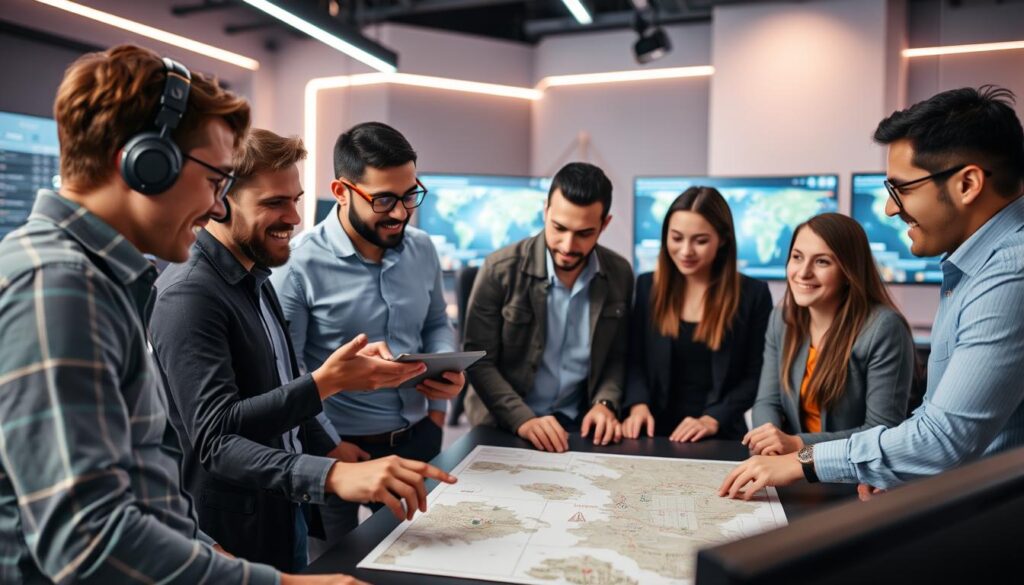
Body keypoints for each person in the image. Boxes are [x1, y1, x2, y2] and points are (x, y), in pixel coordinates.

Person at [0, 44, 370, 585]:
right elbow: (88, 540)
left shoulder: (99, 282)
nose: (219, 207)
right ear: (146, 164)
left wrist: (213, 555)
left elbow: (142, 484)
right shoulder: (58, 287)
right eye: (216, 180)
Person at [150, 128, 452, 571]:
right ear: (219, 200)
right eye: (275, 203)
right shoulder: (189, 295)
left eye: (295, 200)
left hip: (282, 503)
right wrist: (329, 390)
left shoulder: (255, 274)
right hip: (232, 530)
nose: (294, 217)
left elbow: (283, 381)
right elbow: (216, 437)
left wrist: (322, 434)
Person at [720, 86, 1024, 500]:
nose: (890, 209)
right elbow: (936, 421)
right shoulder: (972, 268)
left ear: (967, 183)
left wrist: (802, 459)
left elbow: (943, 438)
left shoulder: (1010, 272)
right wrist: (900, 472)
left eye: (902, 188)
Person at [271, 122, 464, 541]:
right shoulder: (297, 263)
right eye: (383, 200)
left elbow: (435, 323)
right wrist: (327, 444)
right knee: (336, 563)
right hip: (338, 451)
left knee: (419, 559)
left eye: (409, 195)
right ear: (341, 191)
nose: (399, 213)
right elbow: (289, 368)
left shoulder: (423, 248)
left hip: (418, 438)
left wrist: (439, 404)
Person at [462, 162, 633, 452]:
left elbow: (617, 356)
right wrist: (524, 419)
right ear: (545, 211)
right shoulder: (499, 270)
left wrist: (605, 403)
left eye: (584, 233)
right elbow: (478, 360)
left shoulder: (619, 274)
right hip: (504, 423)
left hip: (580, 424)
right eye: (559, 228)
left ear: (604, 224)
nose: (568, 245)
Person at [744, 213, 914, 456]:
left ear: (848, 271)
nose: (803, 273)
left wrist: (797, 444)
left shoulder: (884, 328)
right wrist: (767, 444)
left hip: (851, 474)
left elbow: (882, 431)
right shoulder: (782, 319)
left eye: (822, 262)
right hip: (791, 466)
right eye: (797, 257)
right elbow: (766, 402)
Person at [622, 187, 773, 442]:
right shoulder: (648, 285)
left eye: (700, 241)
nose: (685, 251)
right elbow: (634, 359)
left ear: (723, 239)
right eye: (676, 238)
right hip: (652, 432)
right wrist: (638, 404)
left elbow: (757, 374)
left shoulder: (753, 294)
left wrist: (712, 418)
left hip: (719, 434)